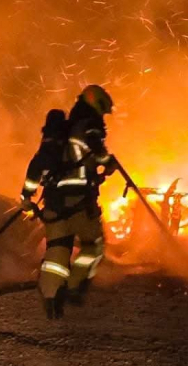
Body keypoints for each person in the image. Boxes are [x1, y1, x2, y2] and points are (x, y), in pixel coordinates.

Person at [19, 85, 116, 319]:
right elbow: (97, 149)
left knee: (57, 253)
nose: (103, 117)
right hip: (81, 204)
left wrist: (26, 197)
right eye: (102, 111)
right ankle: (74, 287)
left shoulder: (56, 136)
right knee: (93, 246)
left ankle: (52, 301)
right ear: (96, 105)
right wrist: (108, 162)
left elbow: (36, 165)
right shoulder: (87, 125)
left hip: (54, 206)